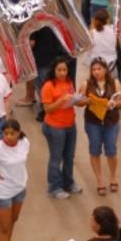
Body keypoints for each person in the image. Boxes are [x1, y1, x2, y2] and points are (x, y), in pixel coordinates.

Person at [80, 58, 121, 196]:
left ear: (105, 70)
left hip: (111, 122)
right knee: (94, 149)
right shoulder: (86, 84)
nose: (96, 72)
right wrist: (86, 101)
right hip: (93, 122)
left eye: (99, 69)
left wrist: (113, 104)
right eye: (93, 69)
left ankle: (112, 177)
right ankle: (99, 180)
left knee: (111, 149)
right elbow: (78, 101)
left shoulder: (114, 83)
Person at [41, 57, 85, 199]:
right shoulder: (48, 86)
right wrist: (61, 100)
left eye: (64, 70)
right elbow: (47, 109)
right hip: (55, 127)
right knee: (56, 158)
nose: (62, 73)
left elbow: (72, 102)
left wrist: (79, 101)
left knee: (69, 156)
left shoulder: (69, 82)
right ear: (54, 70)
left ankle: (68, 182)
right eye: (59, 70)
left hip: (70, 125)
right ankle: (54, 187)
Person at [85, 9, 118, 73]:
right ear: (107, 20)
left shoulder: (91, 33)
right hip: (111, 65)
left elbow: (87, 48)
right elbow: (118, 45)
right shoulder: (113, 30)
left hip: (96, 66)